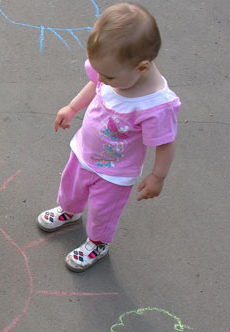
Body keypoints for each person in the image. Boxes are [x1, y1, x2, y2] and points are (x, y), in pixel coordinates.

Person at [38, 2, 180, 271]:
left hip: (115, 173)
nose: (101, 77)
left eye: (108, 75)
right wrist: (72, 107)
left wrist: (157, 176)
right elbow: (95, 84)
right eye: (98, 70)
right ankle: (69, 211)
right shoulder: (115, 70)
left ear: (142, 68)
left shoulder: (155, 106)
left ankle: (98, 242)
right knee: (71, 186)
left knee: (103, 211)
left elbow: (165, 143)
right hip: (84, 150)